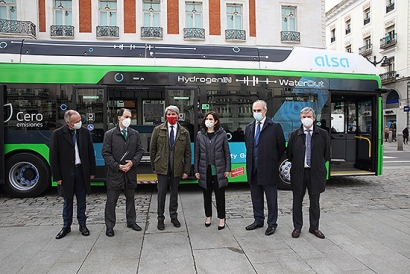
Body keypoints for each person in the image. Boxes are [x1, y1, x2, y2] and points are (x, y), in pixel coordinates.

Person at [50, 110, 96, 239]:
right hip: (66, 173)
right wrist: (57, 176)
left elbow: (90, 153)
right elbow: (53, 157)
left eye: (80, 120)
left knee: (82, 200)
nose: (79, 123)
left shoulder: (85, 132)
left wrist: (92, 171)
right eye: (76, 122)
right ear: (68, 123)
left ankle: (82, 225)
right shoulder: (58, 134)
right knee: (67, 200)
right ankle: (66, 226)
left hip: (81, 171)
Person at [244, 100, 286, 236]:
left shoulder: (274, 126)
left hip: (269, 169)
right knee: (256, 198)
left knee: (271, 199)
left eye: (259, 110)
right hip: (253, 170)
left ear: (265, 111)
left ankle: (272, 224)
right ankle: (258, 220)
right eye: (254, 110)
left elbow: (281, 148)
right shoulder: (249, 127)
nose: (256, 113)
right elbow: (248, 147)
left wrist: (272, 161)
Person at [287, 107, 330, 239]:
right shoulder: (294, 135)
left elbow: (327, 154)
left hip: (316, 173)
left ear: (314, 118)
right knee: (297, 202)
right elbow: (290, 154)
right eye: (304, 117)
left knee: (315, 202)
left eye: (309, 116)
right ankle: (297, 227)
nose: (306, 119)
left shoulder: (322, 134)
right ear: (300, 119)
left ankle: (314, 227)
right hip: (299, 173)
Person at [102, 108, 144, 237]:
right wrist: (118, 166)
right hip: (115, 174)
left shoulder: (135, 134)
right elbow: (106, 153)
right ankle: (109, 226)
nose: (128, 119)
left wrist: (132, 162)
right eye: (126, 117)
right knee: (111, 201)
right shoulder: (110, 134)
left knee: (130, 199)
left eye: (130, 117)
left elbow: (140, 151)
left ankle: (131, 221)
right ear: (119, 117)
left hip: (130, 173)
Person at [150, 105, 192, 230]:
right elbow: (152, 149)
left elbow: (188, 153)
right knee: (161, 193)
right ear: (165, 116)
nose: (171, 117)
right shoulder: (158, 130)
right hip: (162, 167)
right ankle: (160, 218)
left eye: (173, 114)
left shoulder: (184, 132)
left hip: (177, 168)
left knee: (174, 193)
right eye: (169, 114)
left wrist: (186, 170)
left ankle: (174, 216)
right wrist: (153, 166)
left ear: (178, 116)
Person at [194, 111, 231, 230]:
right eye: (207, 118)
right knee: (206, 195)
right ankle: (208, 216)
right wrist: (196, 170)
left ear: (215, 121)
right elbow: (197, 153)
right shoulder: (200, 134)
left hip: (219, 169)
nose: (208, 121)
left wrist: (227, 169)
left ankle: (221, 218)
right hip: (205, 169)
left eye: (211, 119)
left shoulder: (222, 134)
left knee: (220, 195)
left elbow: (227, 153)